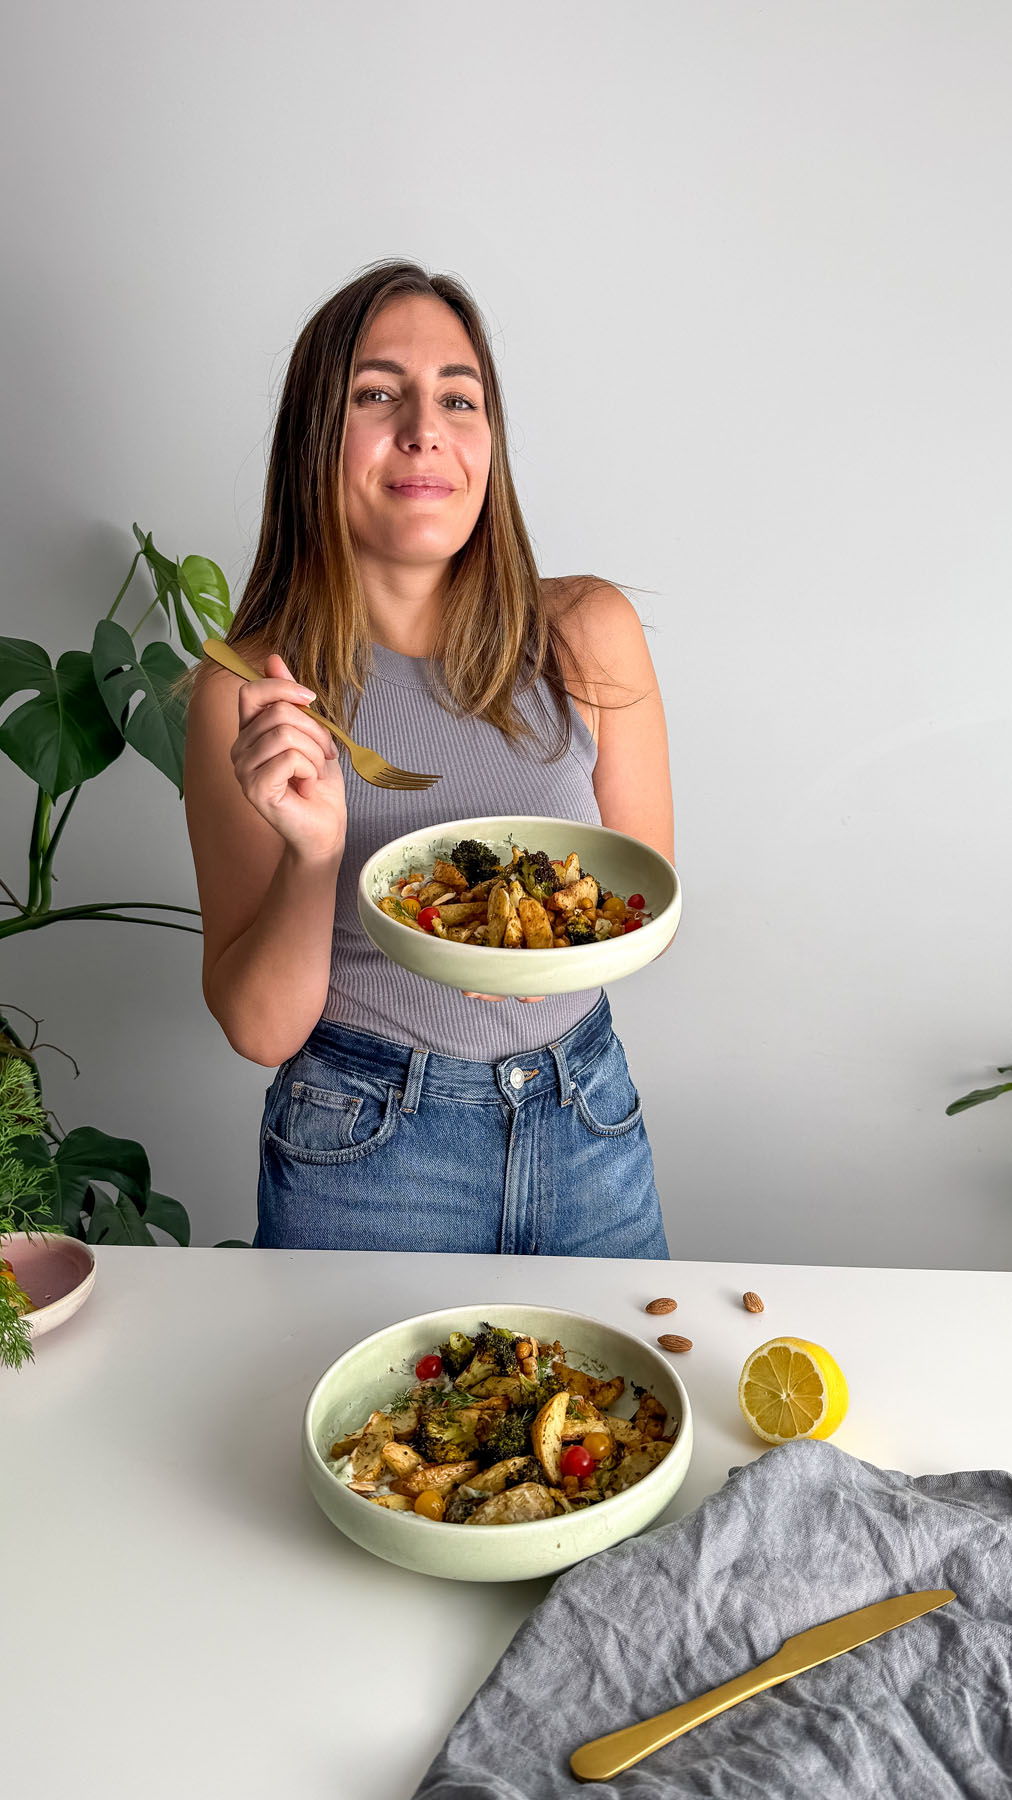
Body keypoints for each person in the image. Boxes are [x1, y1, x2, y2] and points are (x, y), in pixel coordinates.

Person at [183, 259, 675, 1257]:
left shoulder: (590, 630)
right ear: (319, 436)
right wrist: (313, 854)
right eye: (378, 394)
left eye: (459, 397)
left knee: (623, 1415)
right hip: (365, 1143)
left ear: (488, 441)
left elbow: (643, 903)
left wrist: (541, 959)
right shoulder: (250, 692)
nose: (425, 430)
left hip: (586, 1114)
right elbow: (259, 1030)